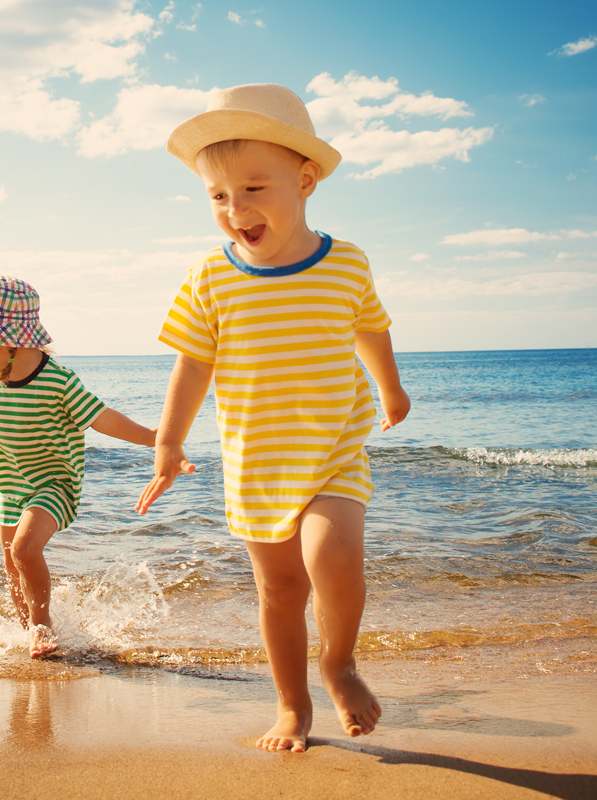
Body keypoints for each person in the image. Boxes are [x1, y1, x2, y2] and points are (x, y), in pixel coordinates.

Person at [135, 84, 410, 753]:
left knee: (334, 556)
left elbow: (371, 329)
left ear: (306, 179)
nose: (236, 210)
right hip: (256, 462)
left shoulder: (345, 263)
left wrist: (391, 390)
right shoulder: (210, 278)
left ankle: (338, 663)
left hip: (334, 450)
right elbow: (193, 365)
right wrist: (169, 441)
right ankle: (291, 707)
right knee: (280, 590)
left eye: (254, 188)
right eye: (219, 196)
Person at [0, 275, 155, 658]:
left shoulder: (58, 381)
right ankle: (31, 635)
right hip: (10, 487)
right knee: (14, 566)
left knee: (25, 551)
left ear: (6, 339)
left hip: (55, 484)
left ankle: (43, 626)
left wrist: (150, 437)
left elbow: (101, 417)